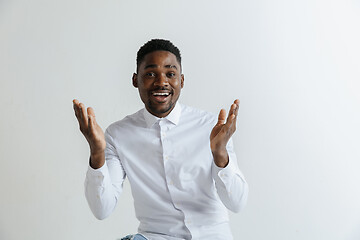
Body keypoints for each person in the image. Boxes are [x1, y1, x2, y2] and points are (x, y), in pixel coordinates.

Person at [73, 39, 248, 240]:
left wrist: (220, 155)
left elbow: (237, 203)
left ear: (181, 81)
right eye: (150, 74)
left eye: (170, 74)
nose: (161, 82)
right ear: (135, 80)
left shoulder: (211, 127)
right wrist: (97, 153)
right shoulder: (118, 135)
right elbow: (101, 210)